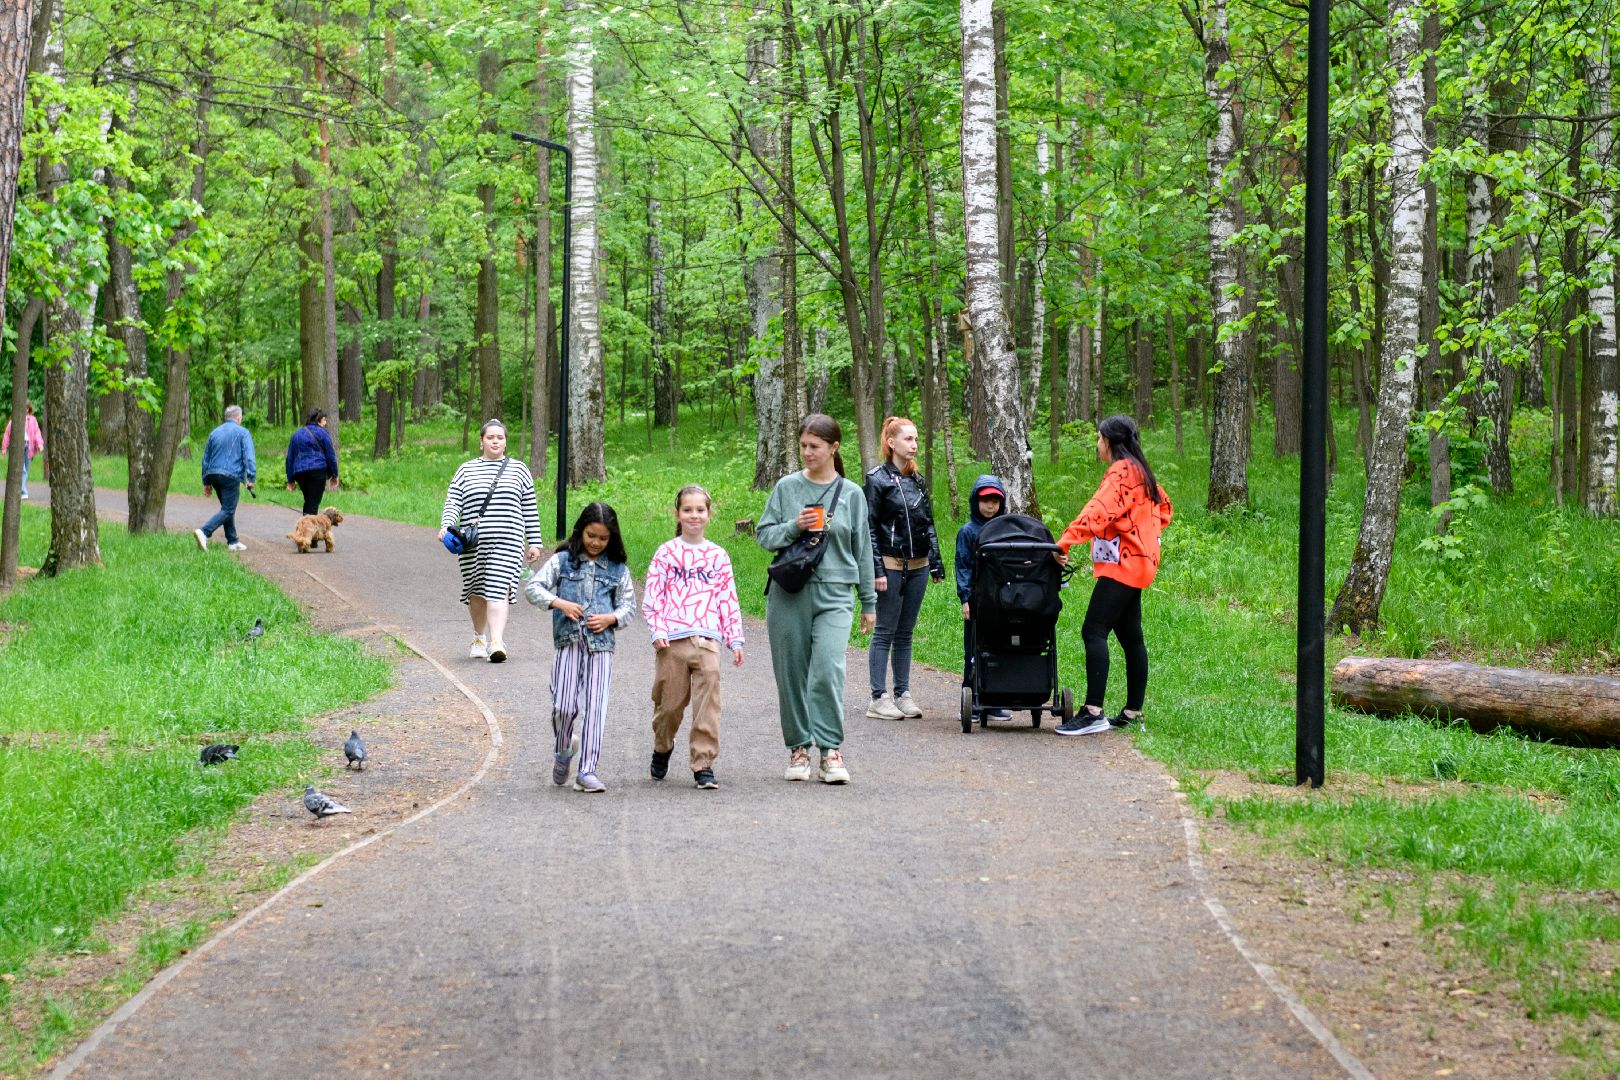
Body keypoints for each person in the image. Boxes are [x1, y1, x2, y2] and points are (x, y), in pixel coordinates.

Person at [757, 414, 877, 785]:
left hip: (836, 594)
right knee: (791, 674)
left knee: (827, 670)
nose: (807, 453)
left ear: (833, 448)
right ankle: (798, 747)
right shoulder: (786, 487)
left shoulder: (852, 493)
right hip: (789, 593)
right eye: (803, 446)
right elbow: (765, 536)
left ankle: (830, 750)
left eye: (815, 447)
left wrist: (869, 602)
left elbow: (863, 550)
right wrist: (796, 525)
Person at [1053, 414, 1173, 736]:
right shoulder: (1141, 471)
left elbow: (1097, 511)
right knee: (1131, 637)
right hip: (1140, 562)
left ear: (1109, 442)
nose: (1097, 444)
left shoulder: (1121, 472)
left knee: (1093, 630)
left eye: (1098, 438)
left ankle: (1093, 712)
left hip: (1125, 564)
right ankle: (1134, 712)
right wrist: (1145, 533)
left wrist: (1064, 541)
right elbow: (1165, 508)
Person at [524, 503, 637, 793]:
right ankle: (563, 749)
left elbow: (628, 607)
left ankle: (587, 770)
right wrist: (558, 602)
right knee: (564, 706)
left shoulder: (618, 569)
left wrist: (611, 617)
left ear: (612, 538)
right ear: (580, 531)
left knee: (596, 708)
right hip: (568, 643)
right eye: (591, 535)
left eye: (603, 538)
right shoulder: (562, 561)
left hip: (602, 647)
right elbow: (533, 588)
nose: (596, 543)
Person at [642, 485, 744, 790]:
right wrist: (658, 629)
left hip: (708, 640)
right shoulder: (667, 552)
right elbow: (653, 596)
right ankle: (663, 745)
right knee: (669, 706)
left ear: (709, 515)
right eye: (688, 510)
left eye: (700, 510)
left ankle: (703, 764)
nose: (694, 515)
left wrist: (734, 639)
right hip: (672, 640)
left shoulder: (718, 556)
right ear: (677, 514)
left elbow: (728, 598)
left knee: (707, 705)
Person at [438, 419, 544, 663]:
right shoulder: (466, 470)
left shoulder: (519, 470)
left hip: (509, 539)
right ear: (481, 441)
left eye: (500, 438)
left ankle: (497, 641)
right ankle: (479, 637)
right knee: (476, 590)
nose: (496, 441)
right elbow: (454, 501)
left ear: (506, 442)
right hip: (473, 542)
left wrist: (535, 542)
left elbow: (530, 508)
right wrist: (446, 526)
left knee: (498, 586)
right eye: (490, 437)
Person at [863, 416, 945, 720]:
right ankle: (877, 696)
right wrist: (876, 570)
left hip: (919, 564)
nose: (914, 445)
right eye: (908, 439)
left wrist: (935, 561)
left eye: (915, 439)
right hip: (890, 563)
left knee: (906, 632)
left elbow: (928, 523)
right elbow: (869, 527)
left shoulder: (917, 479)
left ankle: (903, 692)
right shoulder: (877, 479)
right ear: (891, 443)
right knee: (885, 629)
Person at [954, 474, 1011, 718]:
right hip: (978, 600)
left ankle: (993, 700)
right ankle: (972, 699)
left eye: (995, 502)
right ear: (975, 501)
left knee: (998, 647)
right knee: (975, 649)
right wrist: (965, 598)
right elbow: (963, 565)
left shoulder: (1005, 529)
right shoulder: (968, 532)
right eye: (985, 500)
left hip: (1002, 599)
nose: (990, 506)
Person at [194, 405, 257, 553]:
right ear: (239, 418)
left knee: (227, 508)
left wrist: (207, 481)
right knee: (228, 509)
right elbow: (249, 457)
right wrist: (251, 477)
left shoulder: (214, 433)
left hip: (213, 475)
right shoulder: (243, 432)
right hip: (231, 475)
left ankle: (233, 541)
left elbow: (206, 459)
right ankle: (204, 532)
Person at [284, 408, 340, 516]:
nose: (325, 422)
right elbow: (331, 455)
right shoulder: (323, 433)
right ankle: (307, 530)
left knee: (309, 501)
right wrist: (335, 474)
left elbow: (290, 458)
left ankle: (305, 527)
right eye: (324, 420)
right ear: (318, 420)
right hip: (317, 471)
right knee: (313, 504)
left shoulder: (296, 434)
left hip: (300, 473)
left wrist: (290, 479)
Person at [2, 401, 44, 500]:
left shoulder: (32, 420)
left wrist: (40, 445)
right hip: (18, 447)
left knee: (26, 470)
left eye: (26, 408)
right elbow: (7, 434)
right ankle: (23, 491)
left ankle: (20, 489)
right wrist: (4, 448)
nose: (24, 410)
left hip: (28, 447)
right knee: (22, 469)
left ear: (28, 409)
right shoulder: (14, 419)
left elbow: (37, 432)